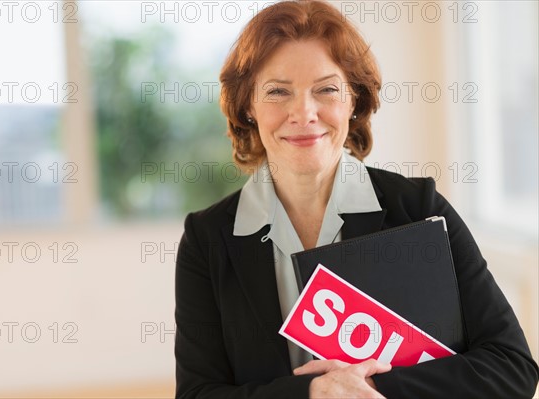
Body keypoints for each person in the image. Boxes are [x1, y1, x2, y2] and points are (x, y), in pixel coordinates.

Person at [174, 1, 539, 398]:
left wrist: (367, 390)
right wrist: (314, 394)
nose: (304, 112)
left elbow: (511, 367)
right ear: (248, 106)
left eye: (326, 89)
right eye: (278, 91)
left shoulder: (418, 209)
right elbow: (197, 394)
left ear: (354, 101)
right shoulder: (208, 238)